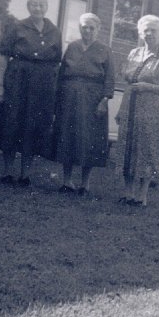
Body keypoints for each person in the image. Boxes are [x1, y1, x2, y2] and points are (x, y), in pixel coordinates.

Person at [0, 0, 62, 186]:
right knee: (11, 124)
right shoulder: (17, 27)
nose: (37, 8)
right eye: (33, 4)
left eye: (41, 4)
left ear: (46, 7)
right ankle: (8, 172)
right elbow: (3, 58)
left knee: (32, 128)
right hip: (18, 82)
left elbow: (57, 63)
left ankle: (25, 174)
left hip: (42, 87)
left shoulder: (54, 32)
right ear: (28, 7)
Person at [115, 14, 159, 206]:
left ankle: (142, 195)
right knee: (128, 149)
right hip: (131, 107)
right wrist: (121, 109)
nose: (149, 33)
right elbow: (128, 80)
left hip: (153, 110)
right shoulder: (134, 54)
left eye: (154, 30)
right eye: (146, 30)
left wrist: (147, 87)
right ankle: (128, 194)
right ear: (140, 33)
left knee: (147, 150)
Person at [54, 13, 115, 195]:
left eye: (91, 27)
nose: (87, 30)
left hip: (93, 99)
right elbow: (62, 73)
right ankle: (67, 181)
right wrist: (59, 97)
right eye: (84, 27)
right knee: (69, 137)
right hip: (70, 97)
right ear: (79, 28)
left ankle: (85, 184)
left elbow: (110, 78)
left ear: (98, 29)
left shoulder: (105, 50)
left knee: (90, 139)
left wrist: (104, 100)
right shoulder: (72, 47)